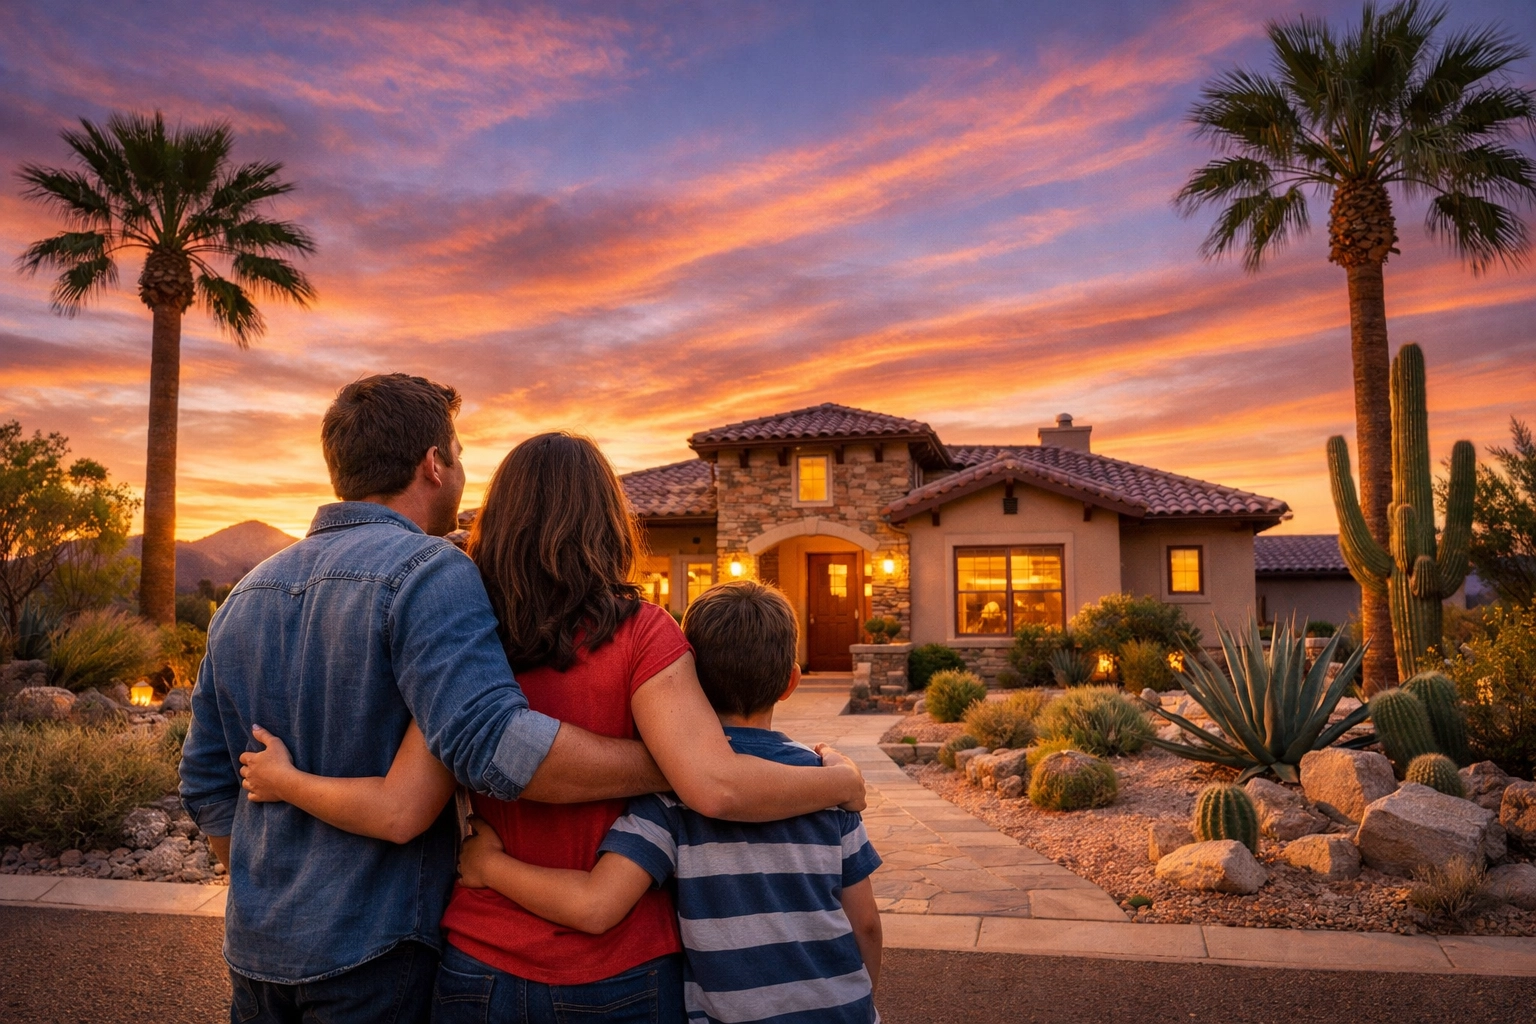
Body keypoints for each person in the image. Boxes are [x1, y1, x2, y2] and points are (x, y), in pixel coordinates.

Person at [235, 429, 867, 1022]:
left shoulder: (465, 642)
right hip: (623, 965)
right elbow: (717, 786)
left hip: (481, 957)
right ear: (608, 521)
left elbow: (406, 800)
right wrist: (837, 783)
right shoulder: (644, 634)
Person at [454, 579, 884, 1023]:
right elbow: (866, 924)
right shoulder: (825, 783)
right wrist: (861, 1002)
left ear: (686, 677)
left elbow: (596, 905)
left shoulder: (672, 794)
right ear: (790, 681)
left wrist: (489, 866)